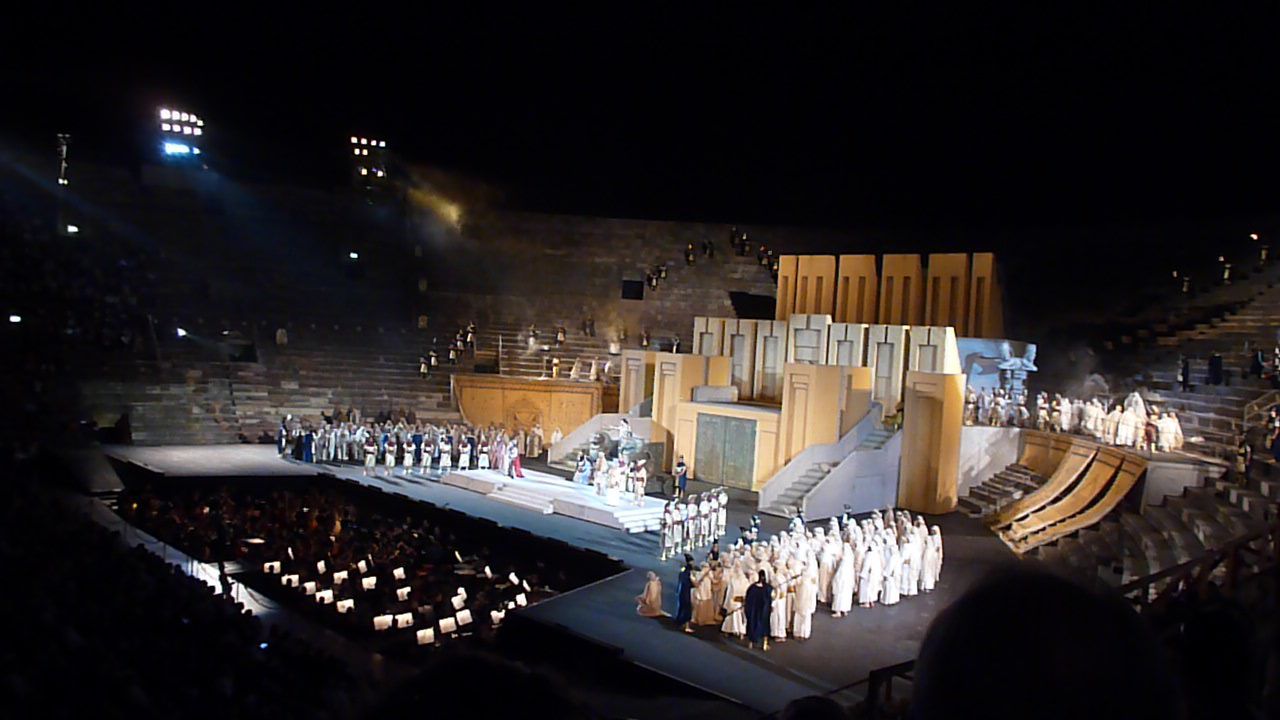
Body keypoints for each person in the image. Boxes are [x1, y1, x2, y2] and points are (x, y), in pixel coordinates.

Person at [744, 570, 773, 650]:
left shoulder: (752, 588)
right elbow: (771, 599)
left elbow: (747, 599)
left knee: (752, 625)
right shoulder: (768, 588)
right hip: (764, 611)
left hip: (753, 611)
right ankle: (764, 644)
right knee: (764, 626)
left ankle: (751, 643)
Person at [830, 542, 855, 617]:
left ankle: (838, 611)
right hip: (848, 582)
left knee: (840, 596)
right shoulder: (850, 560)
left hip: (842, 582)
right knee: (846, 596)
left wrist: (835, 580)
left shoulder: (844, 561)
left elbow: (840, 573)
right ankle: (845, 610)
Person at [673, 555, 694, 632]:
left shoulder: (682, 571)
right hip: (686, 591)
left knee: (681, 606)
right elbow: (691, 582)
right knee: (687, 607)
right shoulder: (688, 572)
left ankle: (678, 620)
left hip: (681, 590)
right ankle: (685, 625)